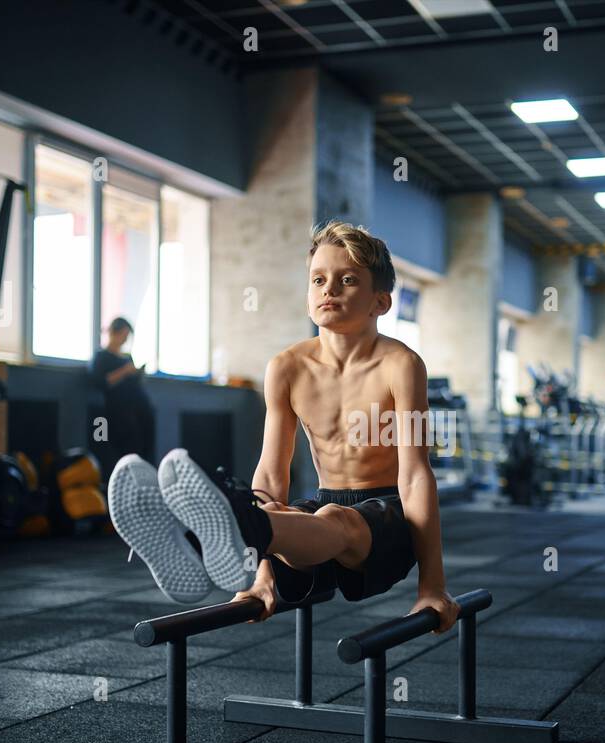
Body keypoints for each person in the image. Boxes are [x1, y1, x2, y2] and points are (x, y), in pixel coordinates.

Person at [107, 221, 460, 634]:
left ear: (380, 301)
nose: (329, 289)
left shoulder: (402, 364)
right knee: (279, 509)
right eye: (318, 279)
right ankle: (199, 535)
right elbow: (273, 472)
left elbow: (416, 476)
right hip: (321, 521)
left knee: (333, 518)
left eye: (347, 280)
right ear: (308, 297)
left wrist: (433, 585)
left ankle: (234, 524)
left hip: (389, 521)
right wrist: (261, 577)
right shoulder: (287, 367)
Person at [91, 317, 155, 463]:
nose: (125, 340)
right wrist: (125, 371)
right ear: (114, 332)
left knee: (143, 446)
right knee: (125, 448)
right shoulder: (101, 356)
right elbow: (100, 381)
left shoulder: (127, 357)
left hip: (139, 411)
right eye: (123, 336)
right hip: (117, 413)